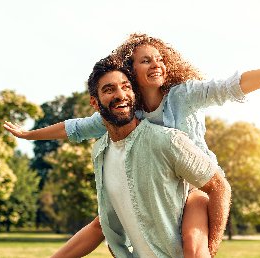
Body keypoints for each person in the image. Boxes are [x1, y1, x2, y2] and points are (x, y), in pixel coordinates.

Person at [4, 33, 260, 257]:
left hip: (195, 188)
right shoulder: (126, 110)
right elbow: (75, 128)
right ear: (131, 71)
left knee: (193, 246)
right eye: (145, 60)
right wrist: (29, 135)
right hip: (158, 187)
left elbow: (236, 85)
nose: (156, 64)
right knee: (103, 221)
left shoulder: (184, 95)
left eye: (159, 58)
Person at [59, 55, 230, 257]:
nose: (120, 94)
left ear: (134, 93)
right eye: (109, 89)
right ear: (95, 103)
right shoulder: (100, 153)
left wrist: (210, 250)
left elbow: (219, 186)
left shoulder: (168, 141)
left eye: (126, 87)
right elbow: (103, 225)